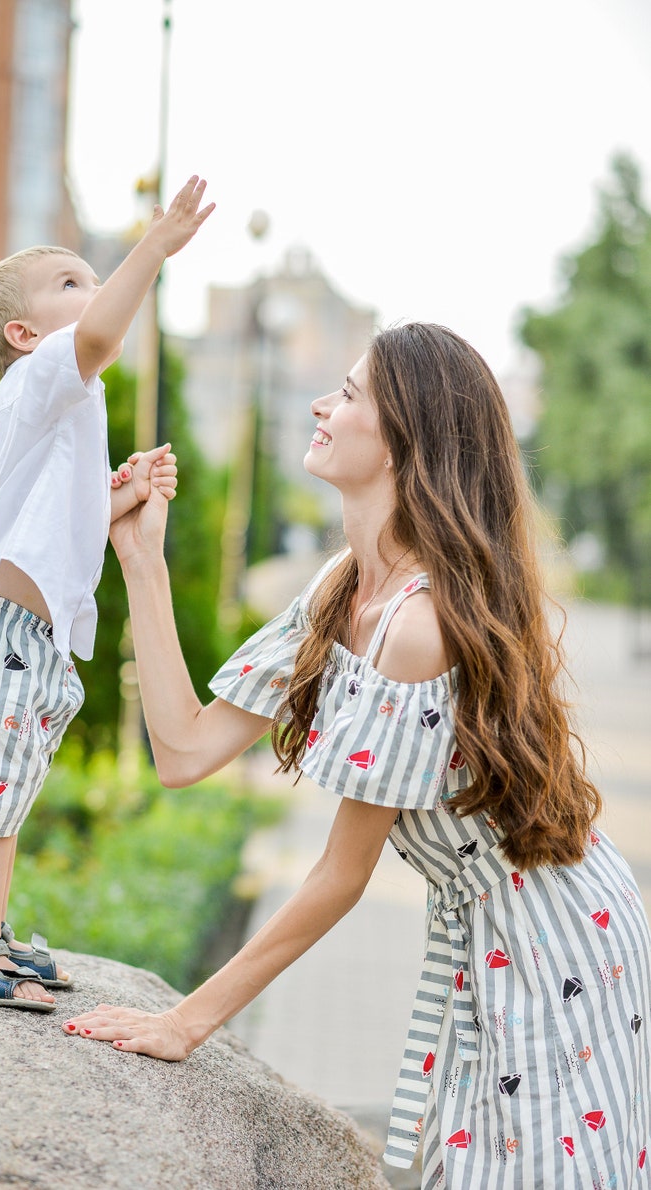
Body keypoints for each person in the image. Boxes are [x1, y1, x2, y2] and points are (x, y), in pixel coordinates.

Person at [63, 322, 651, 1187]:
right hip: (487, 933)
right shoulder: (342, 586)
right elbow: (183, 751)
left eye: (347, 393)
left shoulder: (418, 627)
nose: (320, 404)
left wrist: (188, 1023)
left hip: (556, 941)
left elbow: (339, 877)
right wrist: (140, 558)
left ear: (404, 436)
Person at [0, 176, 214, 1012]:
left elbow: (66, 528)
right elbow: (95, 335)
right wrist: (152, 249)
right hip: (2, 630)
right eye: (71, 283)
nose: (93, 294)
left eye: (93, 278)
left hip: (36, 640)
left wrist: (122, 498)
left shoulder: (66, 412)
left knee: (7, 786)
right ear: (24, 334)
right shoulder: (35, 384)